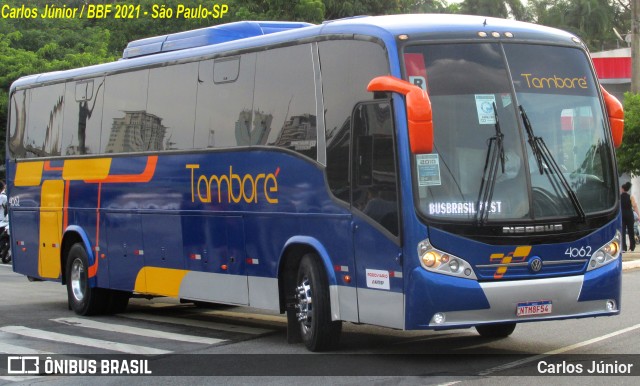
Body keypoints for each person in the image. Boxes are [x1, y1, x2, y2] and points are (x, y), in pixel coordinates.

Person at [620, 181, 640, 252]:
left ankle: (623, 248)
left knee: (622, 231)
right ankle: (632, 247)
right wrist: (638, 215)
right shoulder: (631, 197)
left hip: (622, 215)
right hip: (629, 215)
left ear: (622, 189)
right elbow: (634, 206)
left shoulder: (619, 198)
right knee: (631, 230)